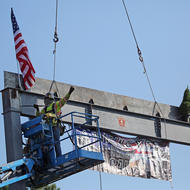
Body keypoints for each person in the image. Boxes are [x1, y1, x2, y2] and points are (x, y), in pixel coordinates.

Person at [34, 86, 75, 157]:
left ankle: (59, 157)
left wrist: (69, 92)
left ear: (50, 99)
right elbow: (39, 117)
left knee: (56, 142)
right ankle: (50, 158)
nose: (46, 101)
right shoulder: (45, 109)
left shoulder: (56, 105)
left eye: (47, 99)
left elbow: (64, 100)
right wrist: (37, 109)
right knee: (48, 143)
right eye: (45, 99)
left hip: (55, 127)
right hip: (48, 128)